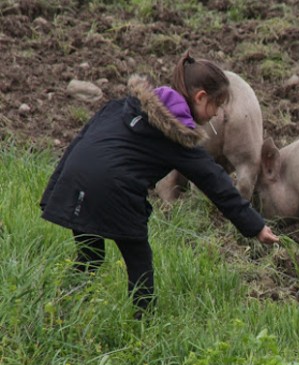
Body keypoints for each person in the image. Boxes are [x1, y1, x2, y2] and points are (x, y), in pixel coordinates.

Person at [40, 51, 279, 318]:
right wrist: (256, 226)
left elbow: (83, 140)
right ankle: (142, 326)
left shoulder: (123, 105)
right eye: (216, 106)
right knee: (140, 264)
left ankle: (57, 311)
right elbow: (216, 182)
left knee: (89, 256)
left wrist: (56, 188)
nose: (216, 115)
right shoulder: (177, 137)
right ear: (200, 98)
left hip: (75, 182)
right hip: (114, 192)